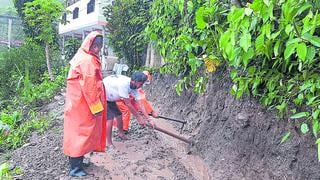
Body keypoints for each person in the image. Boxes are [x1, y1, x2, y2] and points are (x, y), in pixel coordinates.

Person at [63, 31, 106, 177]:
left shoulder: (82, 56)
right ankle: (75, 168)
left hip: (77, 103)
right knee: (81, 133)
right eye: (95, 46)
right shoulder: (87, 61)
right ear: (89, 44)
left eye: (99, 46)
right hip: (83, 105)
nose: (97, 49)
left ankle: (78, 162)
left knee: (77, 132)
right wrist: (96, 107)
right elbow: (89, 86)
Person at [103, 72, 155, 148]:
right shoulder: (124, 84)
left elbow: (141, 104)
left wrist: (149, 119)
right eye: (140, 84)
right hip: (102, 95)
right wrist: (139, 118)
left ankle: (121, 133)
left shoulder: (134, 88)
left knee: (119, 114)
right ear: (134, 81)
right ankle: (109, 143)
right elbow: (128, 104)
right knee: (110, 118)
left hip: (110, 98)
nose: (141, 86)